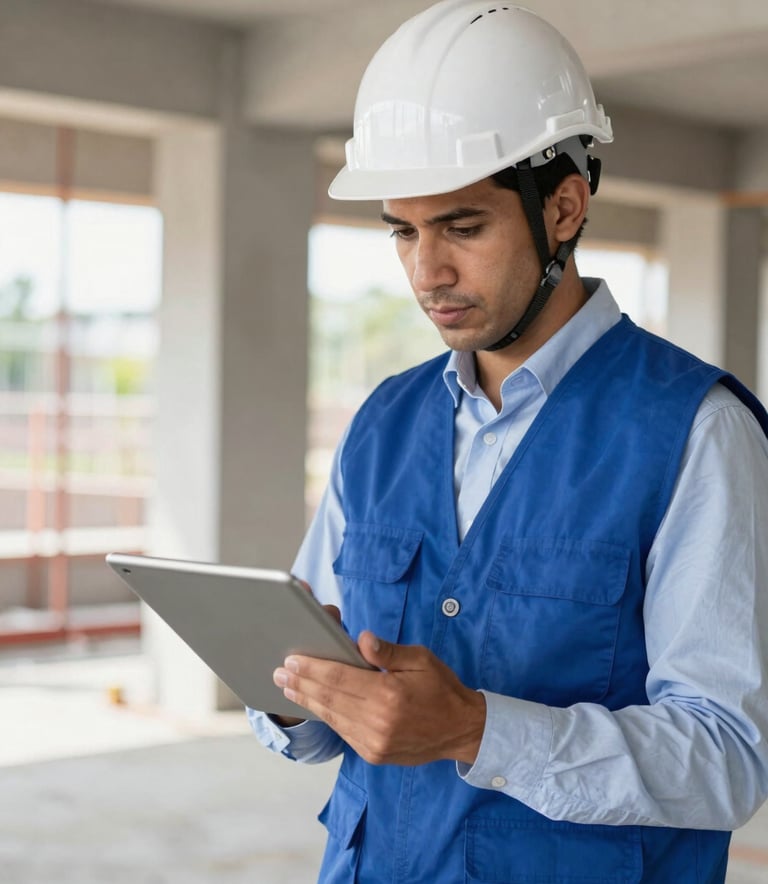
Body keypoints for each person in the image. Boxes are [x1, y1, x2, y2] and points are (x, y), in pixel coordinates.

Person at [248, 2, 768, 881]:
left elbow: (725, 758)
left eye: (462, 226)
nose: (427, 273)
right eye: (404, 232)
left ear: (563, 208)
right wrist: (304, 702)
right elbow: (316, 714)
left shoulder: (696, 431)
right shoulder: (384, 422)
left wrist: (474, 729)